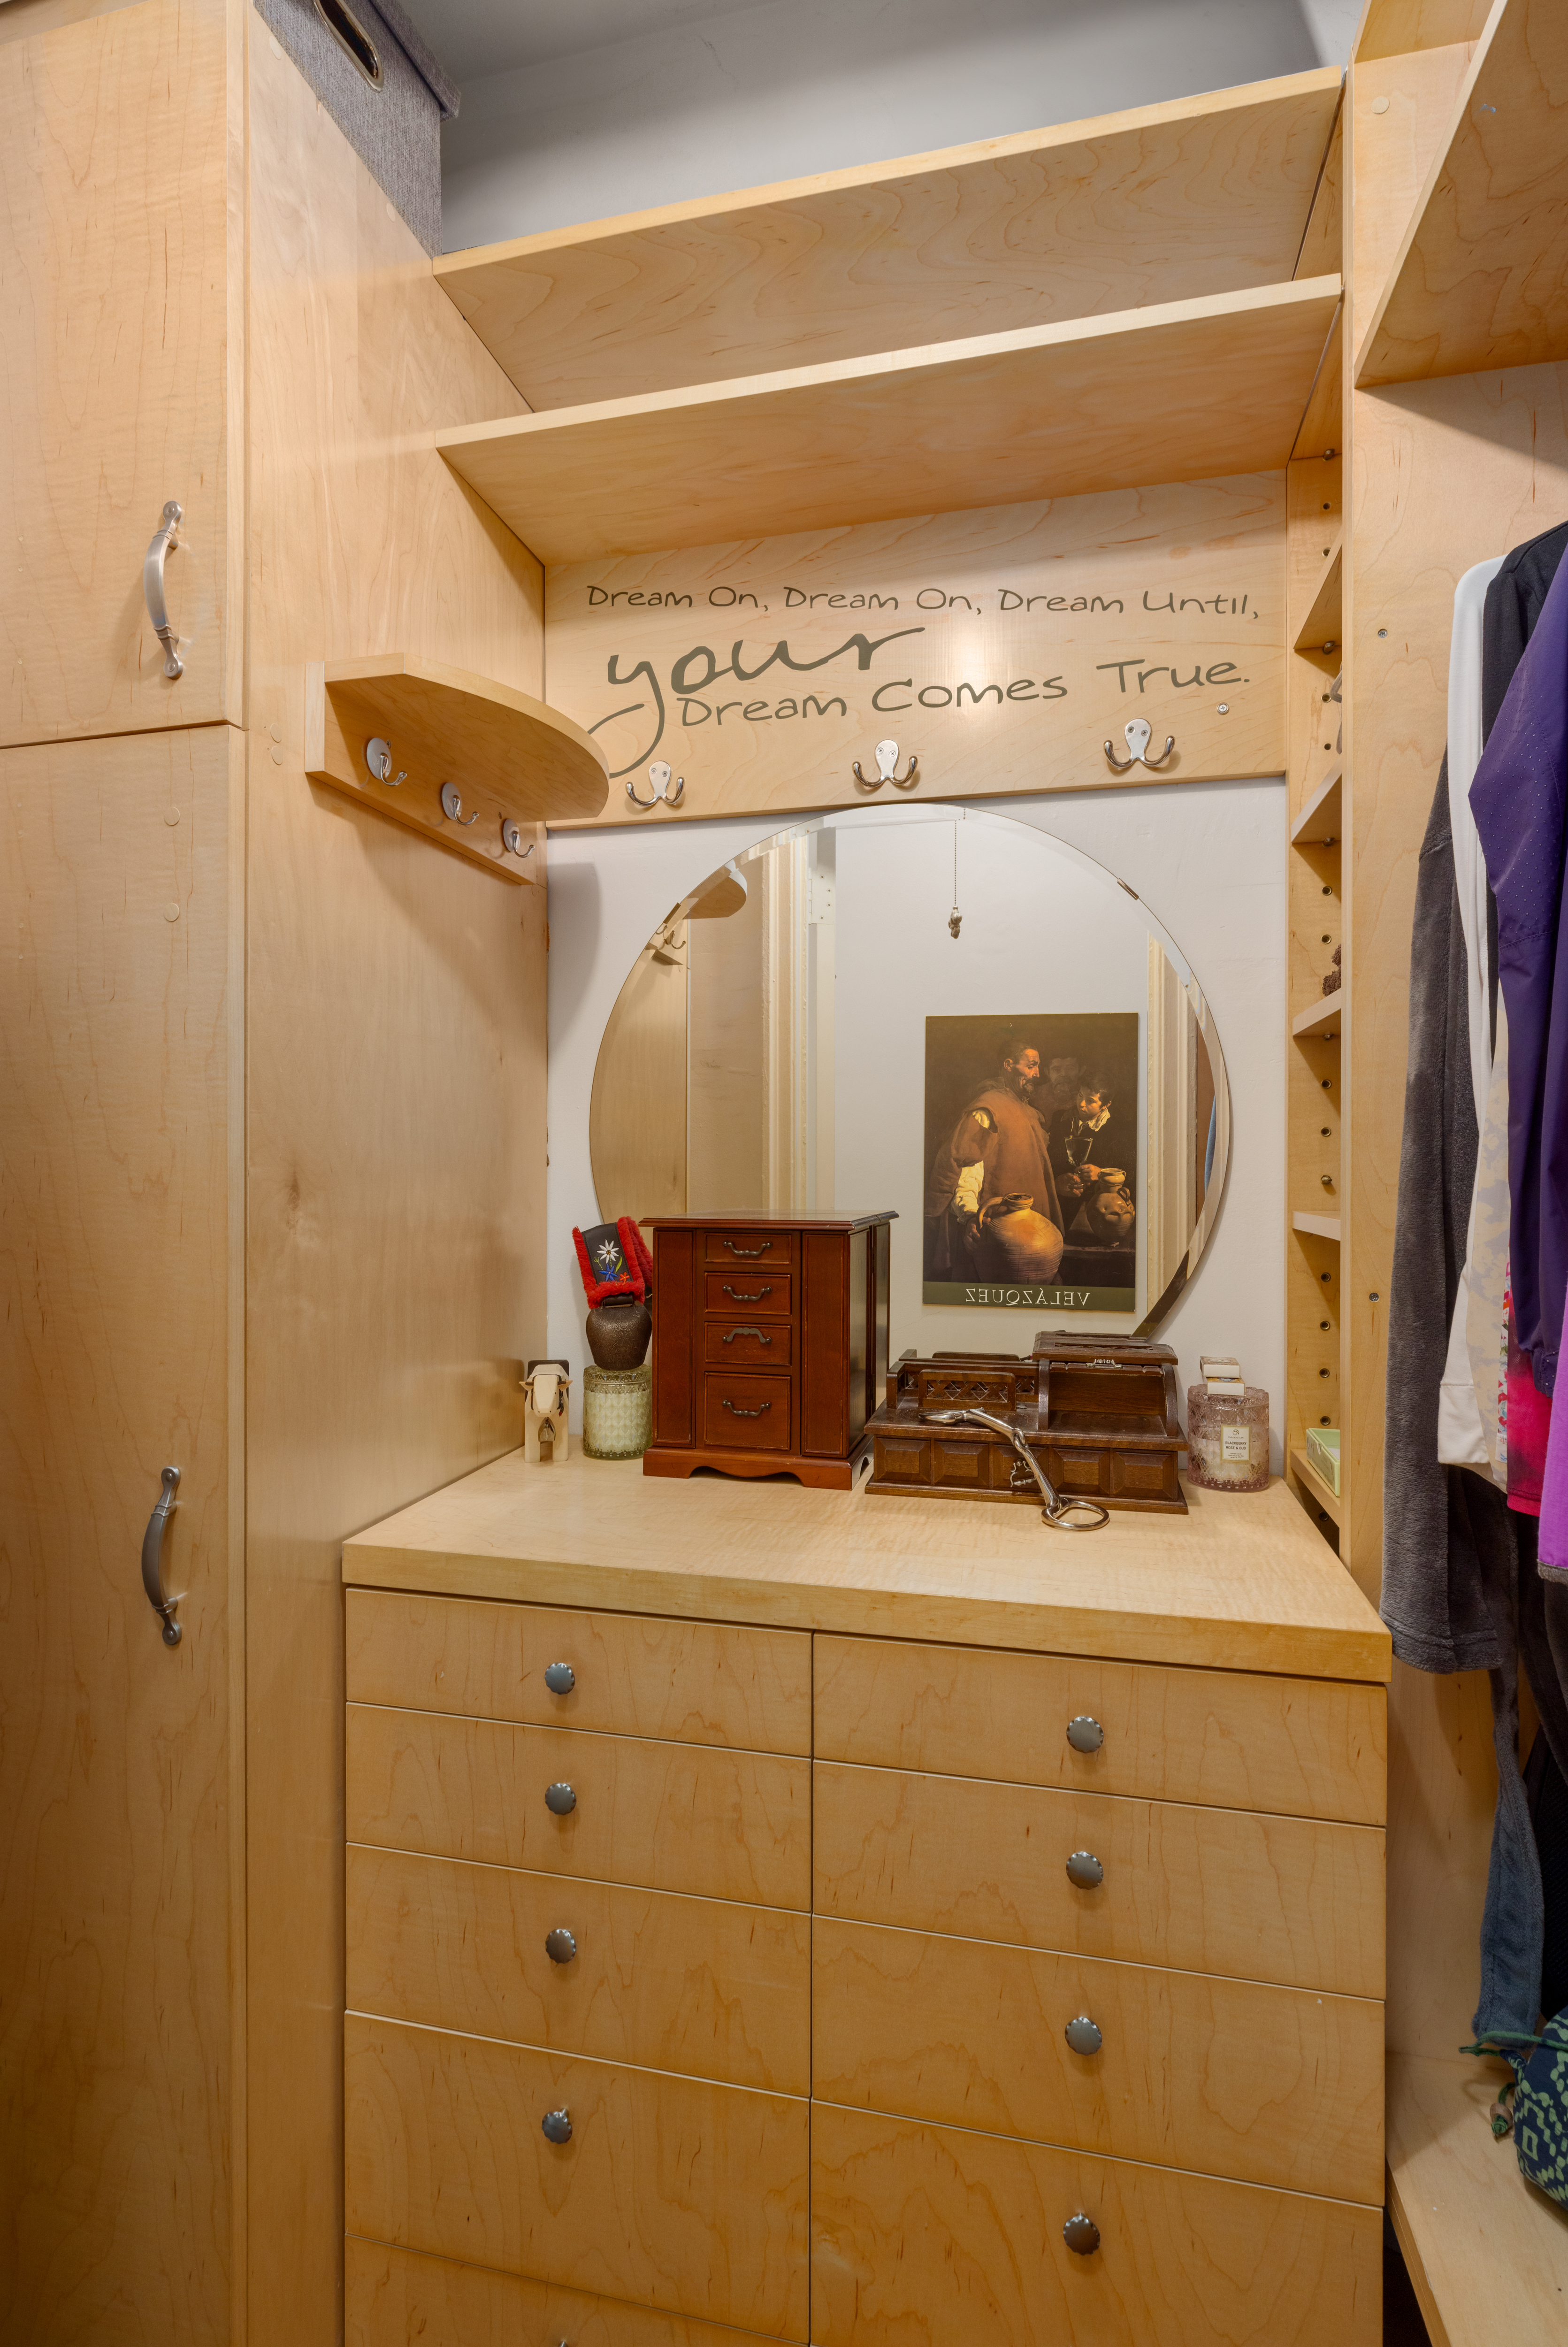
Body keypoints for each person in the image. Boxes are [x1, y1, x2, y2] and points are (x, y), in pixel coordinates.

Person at [925, 1035, 1065, 1282]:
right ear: (1008, 1065)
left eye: (1038, 1067)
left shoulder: (1029, 1111)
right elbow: (965, 1175)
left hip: (1036, 1238)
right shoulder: (987, 1110)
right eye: (1031, 1066)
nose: (1038, 1074)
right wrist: (970, 1217)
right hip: (999, 1240)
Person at [1049, 1073, 1136, 1247]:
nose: (1082, 1104)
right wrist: (1059, 1181)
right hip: (1063, 1209)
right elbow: (1048, 1162)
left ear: (1106, 1105)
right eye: (1080, 1096)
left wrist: (1102, 1174)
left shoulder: (1120, 1130)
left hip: (1102, 1219)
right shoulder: (1061, 1121)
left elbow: (1134, 1173)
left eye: (1091, 1101)